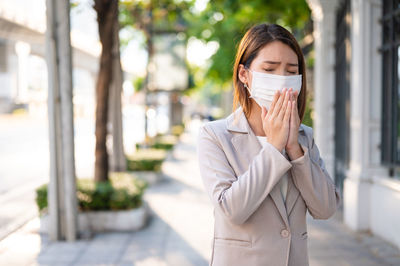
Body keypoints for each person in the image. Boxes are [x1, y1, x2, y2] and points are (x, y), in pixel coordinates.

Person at [197, 23, 341, 266]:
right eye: (270, 69)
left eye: (290, 70)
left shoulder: (304, 137)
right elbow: (232, 210)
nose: (282, 80)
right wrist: (273, 147)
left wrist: (294, 149)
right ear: (244, 75)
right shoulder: (215, 135)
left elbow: (325, 209)